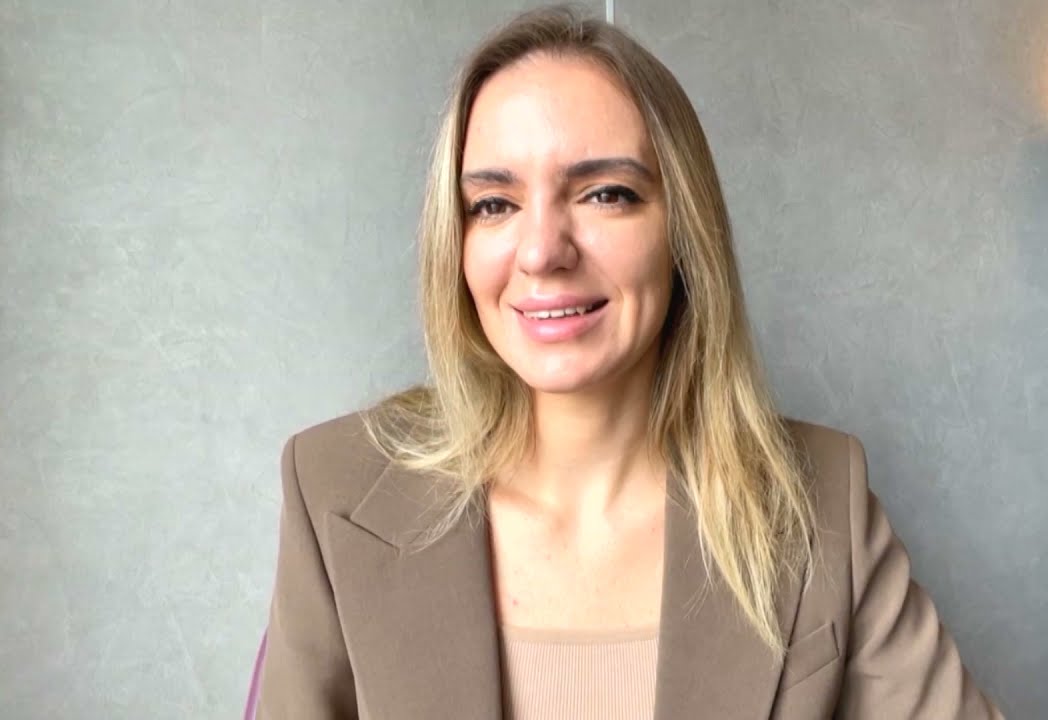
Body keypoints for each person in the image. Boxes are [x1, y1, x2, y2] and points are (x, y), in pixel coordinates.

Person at [256, 5, 1003, 719]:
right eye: (494, 204)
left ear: (685, 232)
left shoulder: (819, 501)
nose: (542, 252)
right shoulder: (336, 491)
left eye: (605, 194)